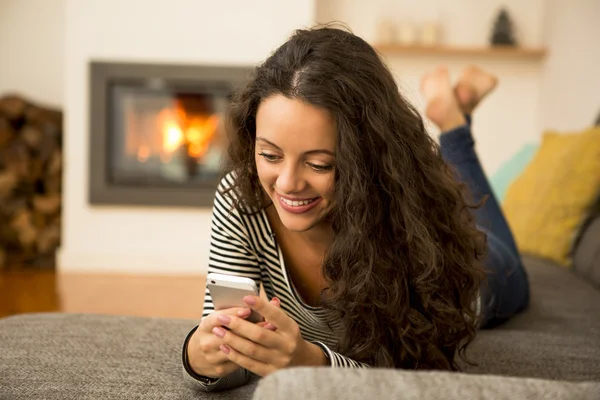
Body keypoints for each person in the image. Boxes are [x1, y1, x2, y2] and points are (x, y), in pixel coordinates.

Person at [181, 27, 530, 392]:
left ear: (365, 160)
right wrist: (200, 356)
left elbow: (412, 380)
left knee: (493, 243)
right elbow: (228, 354)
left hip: (481, 275)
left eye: (319, 164)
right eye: (270, 155)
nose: (286, 183)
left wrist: (309, 362)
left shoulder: (407, 220)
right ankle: (456, 117)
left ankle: (455, 127)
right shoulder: (242, 196)